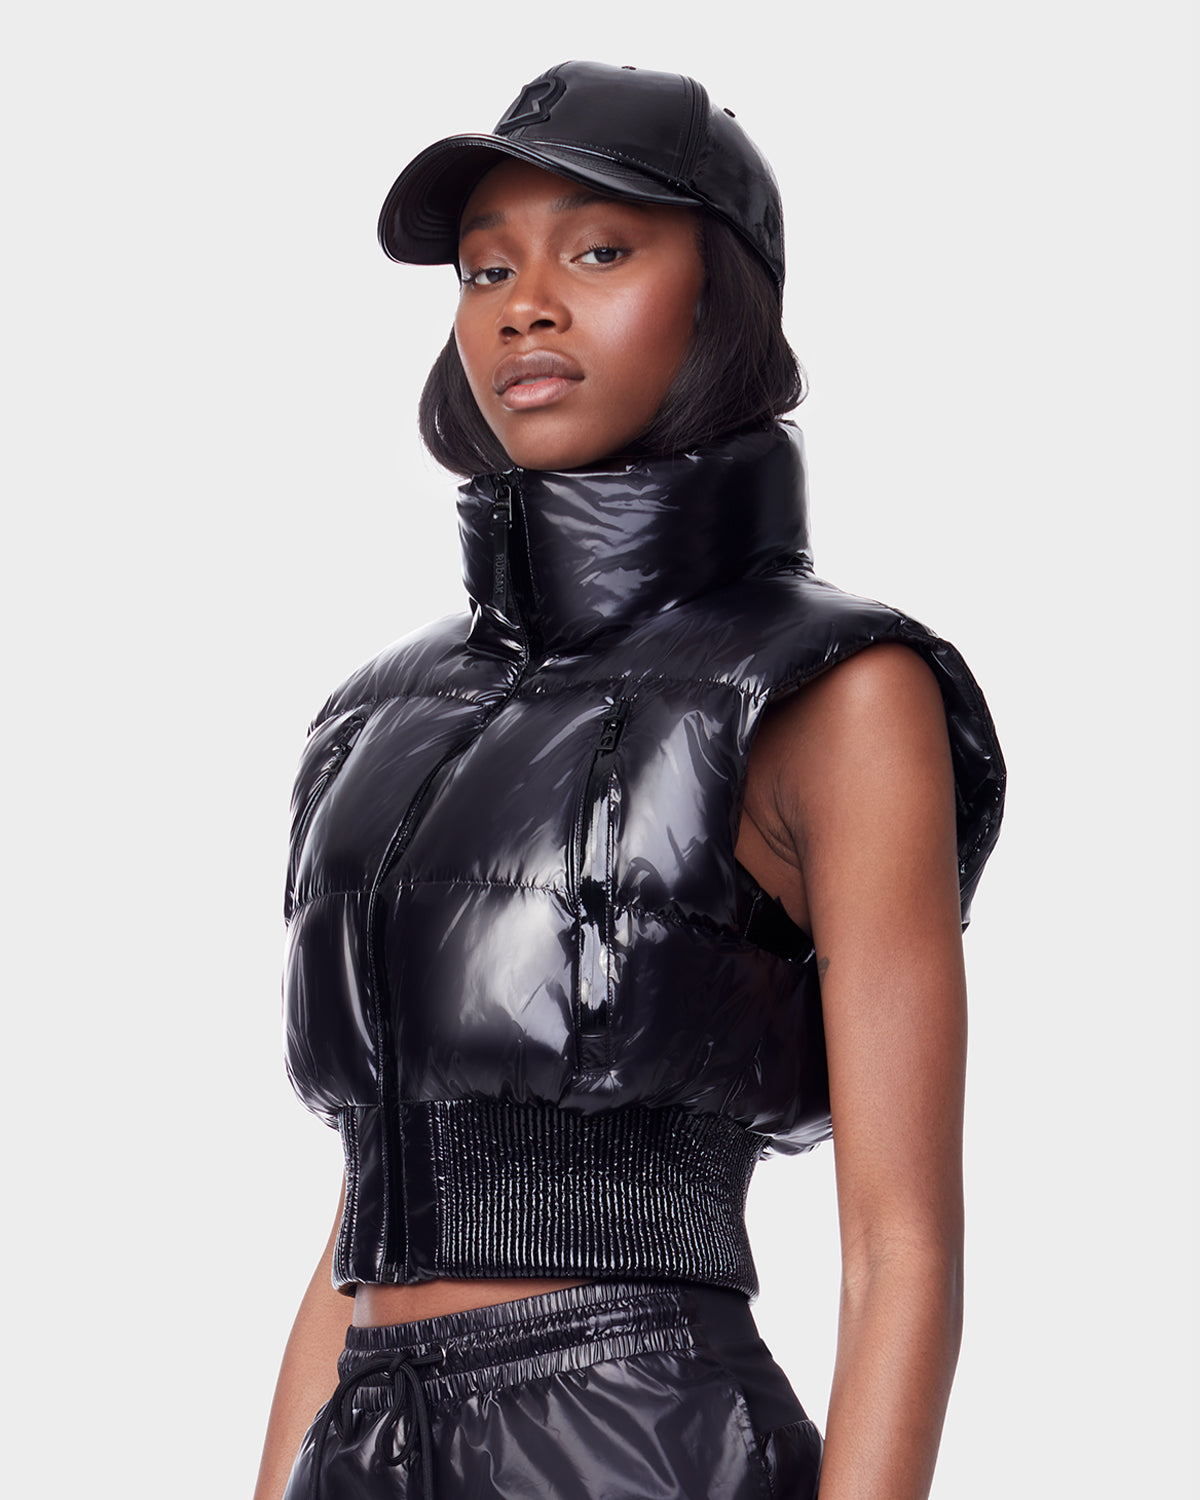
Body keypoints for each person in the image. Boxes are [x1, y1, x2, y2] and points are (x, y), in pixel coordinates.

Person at [254, 60, 1006, 1500]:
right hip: (367, 1443)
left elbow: (900, 1248)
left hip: (643, 1446)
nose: (524, 306)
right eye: (486, 269)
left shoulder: (839, 689)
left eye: (599, 252)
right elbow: (359, 1223)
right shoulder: (375, 718)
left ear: (723, 297)